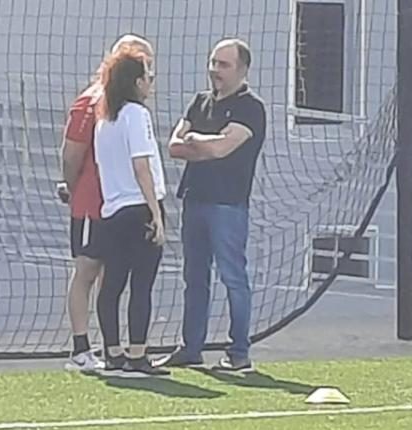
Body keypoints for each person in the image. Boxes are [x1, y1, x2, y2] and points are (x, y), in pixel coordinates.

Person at [154, 38, 266, 371]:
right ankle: (191, 347)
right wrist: (205, 144)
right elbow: (174, 146)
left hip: (227, 204)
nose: (215, 70)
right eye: (213, 63)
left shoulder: (250, 108)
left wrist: (198, 141)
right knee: (194, 277)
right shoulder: (200, 102)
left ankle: (239, 352)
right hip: (195, 199)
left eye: (223, 65)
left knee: (233, 277)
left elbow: (222, 148)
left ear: (242, 69)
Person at [57, 34, 154, 371]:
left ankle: (111, 347)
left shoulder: (131, 107)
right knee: (86, 269)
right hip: (92, 203)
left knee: (112, 276)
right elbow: (71, 154)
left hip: (119, 204)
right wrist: (73, 189)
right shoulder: (92, 102)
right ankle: (80, 347)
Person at [94, 47, 169, 376]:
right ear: (137, 82)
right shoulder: (136, 114)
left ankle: (113, 352)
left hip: (113, 210)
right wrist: (156, 213)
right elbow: (142, 166)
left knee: (112, 284)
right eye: (148, 77)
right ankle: (138, 354)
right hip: (138, 207)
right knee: (141, 285)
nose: (151, 82)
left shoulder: (104, 120)